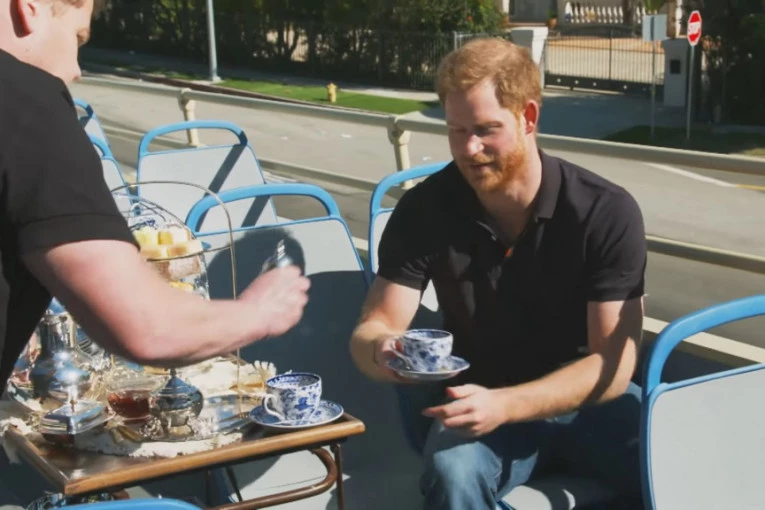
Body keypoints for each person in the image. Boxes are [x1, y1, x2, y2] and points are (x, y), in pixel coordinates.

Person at [349, 37, 646, 509]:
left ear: (528, 117)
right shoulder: (425, 209)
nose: (470, 149)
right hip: (479, 401)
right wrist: (381, 351)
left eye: (486, 130)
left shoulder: (603, 211)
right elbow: (374, 326)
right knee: (453, 472)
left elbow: (613, 366)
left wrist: (509, 405)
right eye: (456, 131)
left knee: (681, 451)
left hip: (587, 404)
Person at [0, 0, 310, 394]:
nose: (77, 69)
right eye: (77, 36)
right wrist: (260, 311)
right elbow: (149, 326)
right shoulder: (30, 103)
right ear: (29, 8)